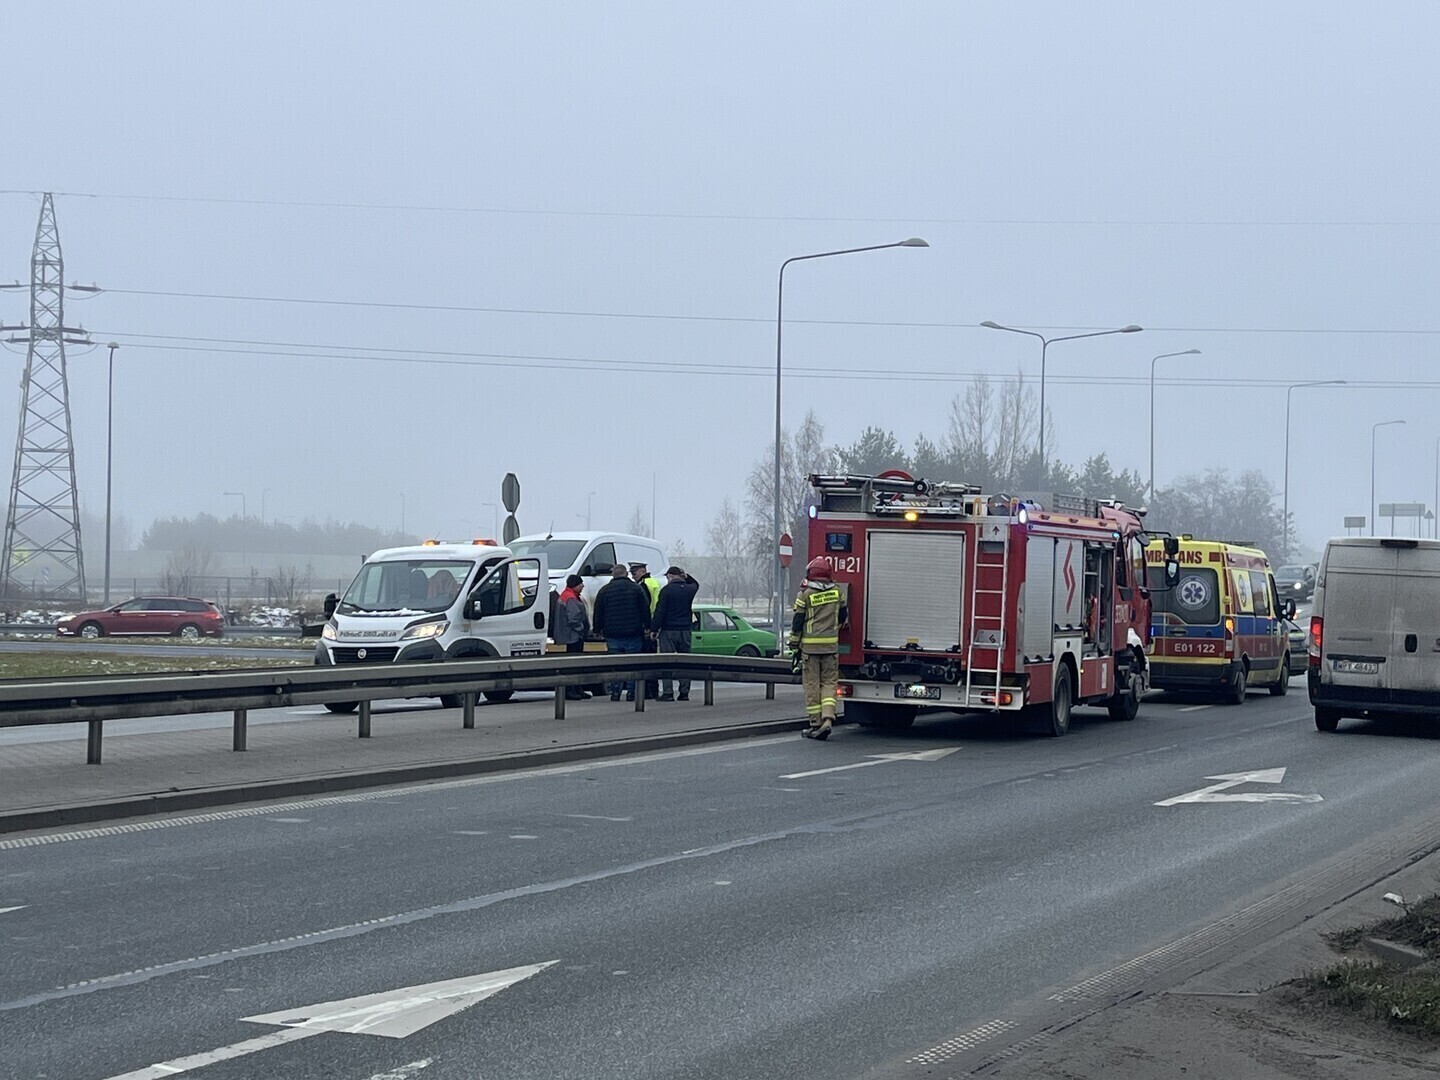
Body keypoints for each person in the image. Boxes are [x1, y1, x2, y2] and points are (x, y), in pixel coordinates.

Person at [790, 556, 848, 740]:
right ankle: (828, 719)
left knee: (812, 685)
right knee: (830, 684)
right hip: (831, 647)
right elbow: (843, 616)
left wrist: (793, 643)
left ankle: (815, 724)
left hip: (810, 649)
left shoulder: (805, 594)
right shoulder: (838, 593)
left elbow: (798, 622)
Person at [593, 563, 650, 701]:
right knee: (632, 663)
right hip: (633, 633)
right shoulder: (636, 589)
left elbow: (598, 612)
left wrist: (597, 630)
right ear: (626, 574)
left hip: (612, 634)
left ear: (613, 575)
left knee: (615, 664)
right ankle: (631, 693)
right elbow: (645, 609)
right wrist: (648, 627)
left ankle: (615, 692)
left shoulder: (604, 590)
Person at [650, 566, 699, 701]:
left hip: (669, 631)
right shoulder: (689, 590)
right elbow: (696, 584)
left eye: (667, 577)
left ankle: (668, 693)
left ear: (670, 576)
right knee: (684, 662)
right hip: (685, 630)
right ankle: (684, 693)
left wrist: (654, 629)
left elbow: (660, 611)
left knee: (667, 662)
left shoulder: (666, 591)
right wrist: (686, 575)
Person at [552, 573, 591, 700]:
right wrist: (581, 630)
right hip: (573, 636)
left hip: (567, 635)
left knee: (573, 663)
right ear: (575, 585)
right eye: (581, 584)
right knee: (574, 664)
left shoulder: (566, 595)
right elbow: (574, 618)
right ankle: (572, 689)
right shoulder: (571, 598)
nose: (583, 586)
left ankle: (576, 689)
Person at [630, 562, 663, 699]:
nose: (633, 576)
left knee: (644, 661)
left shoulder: (643, 585)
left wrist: (646, 627)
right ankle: (653, 690)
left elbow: (644, 607)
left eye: (635, 573)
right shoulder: (654, 582)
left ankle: (646, 692)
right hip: (654, 624)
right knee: (652, 660)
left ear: (643, 571)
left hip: (647, 627)